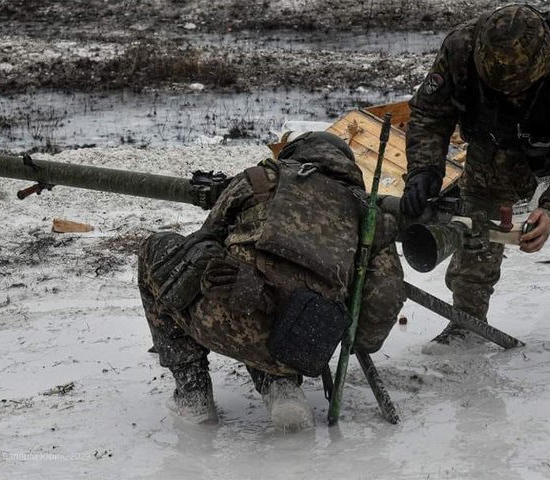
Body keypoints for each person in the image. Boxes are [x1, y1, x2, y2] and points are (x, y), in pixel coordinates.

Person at [138, 132, 406, 430]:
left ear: (293, 153)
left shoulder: (259, 178)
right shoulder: (371, 218)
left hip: (224, 319)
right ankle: (282, 386)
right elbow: (385, 299)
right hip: (303, 346)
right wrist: (355, 340)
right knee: (290, 296)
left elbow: (204, 242)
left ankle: (193, 392)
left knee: (158, 248)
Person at [401, 4, 550, 350]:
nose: (510, 98)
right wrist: (424, 168)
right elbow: (429, 114)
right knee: (476, 222)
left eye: (519, 91)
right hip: (496, 147)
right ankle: (467, 323)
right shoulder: (460, 51)